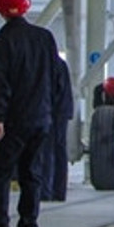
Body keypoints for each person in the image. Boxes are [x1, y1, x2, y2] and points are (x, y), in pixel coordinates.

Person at [0, 0, 60, 227]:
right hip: (41, 119)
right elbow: (55, 79)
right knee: (32, 173)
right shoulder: (45, 38)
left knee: (1, 173)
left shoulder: (0, 43)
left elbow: (0, 85)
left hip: (13, 121)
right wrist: (50, 112)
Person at [39, 55, 74, 202]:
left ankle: (45, 191)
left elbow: (49, 90)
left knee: (47, 151)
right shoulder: (60, 63)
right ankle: (59, 192)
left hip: (53, 112)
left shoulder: (47, 63)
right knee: (59, 151)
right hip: (62, 112)